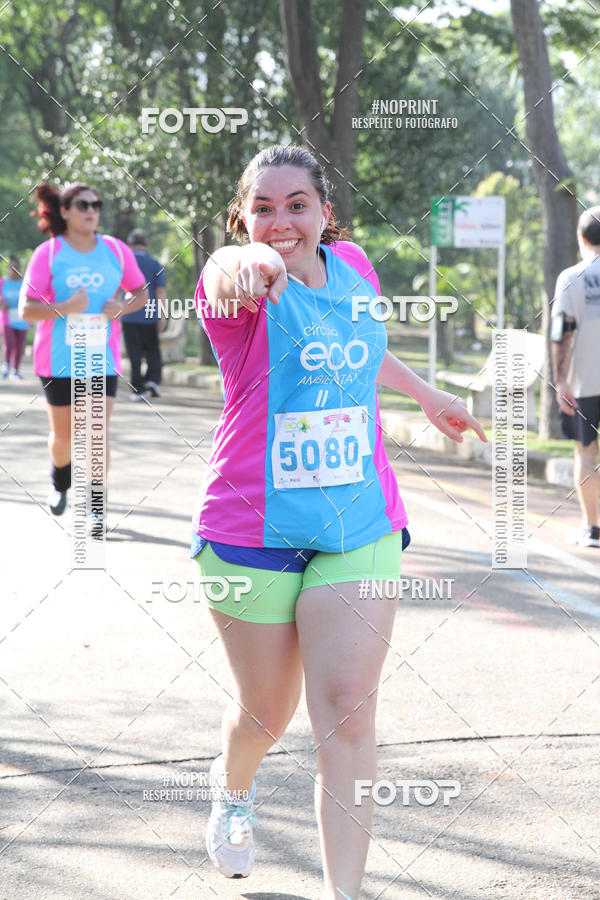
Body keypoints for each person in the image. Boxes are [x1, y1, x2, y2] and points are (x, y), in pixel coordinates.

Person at [190, 144, 486, 899]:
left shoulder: (355, 265)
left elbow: (364, 348)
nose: (281, 220)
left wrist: (427, 393)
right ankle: (232, 789)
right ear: (242, 216)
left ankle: (344, 894)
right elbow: (228, 270)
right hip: (250, 527)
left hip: (358, 520)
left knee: (346, 711)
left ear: (326, 211)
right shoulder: (237, 284)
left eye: (297, 204)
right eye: (263, 207)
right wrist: (249, 262)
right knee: (265, 713)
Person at [19, 182, 148, 517]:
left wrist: (122, 307)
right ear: (64, 210)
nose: (91, 210)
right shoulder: (48, 253)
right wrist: (65, 306)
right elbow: (26, 309)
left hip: (100, 359)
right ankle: (60, 481)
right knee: (63, 438)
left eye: (96, 204)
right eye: (83, 204)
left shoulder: (117, 250)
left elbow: (140, 293)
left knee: (95, 433)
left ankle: (94, 505)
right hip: (58, 361)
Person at [551, 205, 600, 548]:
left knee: (586, 453)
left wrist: (561, 380)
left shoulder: (571, 278)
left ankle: (592, 529)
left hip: (586, 383)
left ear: (582, 238)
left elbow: (561, 332)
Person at [121, 228, 167, 401]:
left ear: (130, 245)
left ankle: (137, 390)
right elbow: (161, 292)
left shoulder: (124, 264)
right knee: (153, 350)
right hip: (150, 315)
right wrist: (162, 316)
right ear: (146, 245)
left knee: (134, 354)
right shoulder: (155, 264)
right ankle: (152, 380)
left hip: (128, 314)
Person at [1, 255, 29, 379]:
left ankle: (16, 370)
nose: (15, 269)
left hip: (22, 318)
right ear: (8, 268)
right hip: (7, 317)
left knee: (19, 345)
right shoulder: (3, 282)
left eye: (17, 267)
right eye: (13, 267)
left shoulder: (25, 283)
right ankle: (7, 365)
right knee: (10, 342)